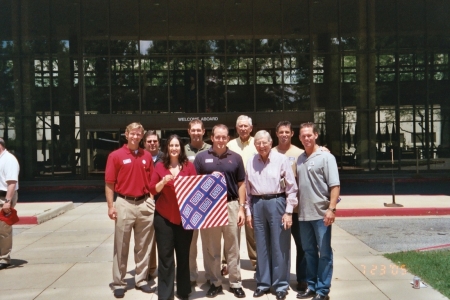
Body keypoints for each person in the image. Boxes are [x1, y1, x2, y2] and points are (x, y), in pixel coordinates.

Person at [194, 124, 246, 298]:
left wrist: (241, 208)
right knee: (212, 248)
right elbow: (194, 185)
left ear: (228, 138)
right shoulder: (201, 158)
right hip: (210, 207)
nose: (221, 140)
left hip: (231, 205)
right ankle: (215, 282)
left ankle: (235, 282)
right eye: (218, 136)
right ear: (212, 137)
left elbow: (241, 184)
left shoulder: (236, 158)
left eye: (224, 137)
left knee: (233, 247)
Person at [245, 130, 298, 300]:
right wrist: (248, 211)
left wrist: (289, 212)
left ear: (270, 142)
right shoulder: (251, 161)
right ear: (255, 145)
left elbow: (291, 188)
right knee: (261, 245)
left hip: (277, 202)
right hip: (257, 204)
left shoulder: (281, 160)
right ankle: (263, 283)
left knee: (279, 245)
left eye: (264, 143)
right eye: (258, 143)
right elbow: (247, 190)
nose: (261, 146)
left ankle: (281, 284)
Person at [105, 122, 155, 298]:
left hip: (143, 204)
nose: (135, 136)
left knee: (144, 245)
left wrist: (151, 201)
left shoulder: (147, 156)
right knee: (121, 245)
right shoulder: (115, 156)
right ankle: (119, 282)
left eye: (138, 134)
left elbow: (152, 182)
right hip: (124, 203)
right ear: (126, 135)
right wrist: (111, 206)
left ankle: (141, 279)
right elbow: (109, 183)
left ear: (142, 137)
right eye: (132, 134)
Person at [149, 135, 197, 300]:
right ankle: (165, 293)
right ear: (167, 148)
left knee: (183, 256)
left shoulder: (189, 166)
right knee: (165, 257)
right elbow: (152, 189)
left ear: (181, 148)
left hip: (185, 218)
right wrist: (162, 182)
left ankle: (183, 291)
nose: (174, 148)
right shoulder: (160, 166)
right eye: (171, 145)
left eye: (177, 145)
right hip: (164, 218)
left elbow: (196, 189)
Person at [296, 122, 340, 300]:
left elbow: (335, 185)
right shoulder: (300, 159)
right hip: (304, 215)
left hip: (322, 214)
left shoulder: (326, 157)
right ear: (299, 138)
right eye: (303, 135)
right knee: (309, 252)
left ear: (316, 135)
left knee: (324, 253)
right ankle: (311, 286)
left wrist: (332, 209)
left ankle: (323, 290)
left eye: (309, 135)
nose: (306, 138)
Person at [272, 121, 307, 292]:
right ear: (276, 134)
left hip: (297, 209)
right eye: (281, 132)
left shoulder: (300, 153)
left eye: (287, 131)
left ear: (292, 134)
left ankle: (302, 279)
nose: (284, 134)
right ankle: (278, 278)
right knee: (277, 246)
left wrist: (324, 149)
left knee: (302, 244)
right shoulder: (270, 153)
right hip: (278, 208)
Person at [227, 115, 258, 270]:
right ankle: (228, 263)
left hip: (254, 192)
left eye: (246, 126)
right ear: (236, 128)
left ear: (251, 128)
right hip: (235, 192)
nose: (243, 129)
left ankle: (256, 262)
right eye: (240, 126)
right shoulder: (230, 144)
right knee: (232, 231)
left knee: (252, 230)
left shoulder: (257, 143)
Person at [184, 119, 211, 286]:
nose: (195, 133)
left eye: (198, 130)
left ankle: (210, 274)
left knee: (209, 243)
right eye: (192, 130)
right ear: (189, 131)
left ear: (203, 131)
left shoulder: (211, 149)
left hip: (208, 203)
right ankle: (192, 275)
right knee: (190, 243)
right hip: (189, 204)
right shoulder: (182, 150)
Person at [143, 130, 164, 280]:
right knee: (147, 239)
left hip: (163, 202)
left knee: (163, 239)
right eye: (149, 141)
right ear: (145, 143)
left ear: (159, 142)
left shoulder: (165, 157)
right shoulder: (140, 157)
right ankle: (150, 270)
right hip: (145, 202)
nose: (152, 143)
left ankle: (165, 268)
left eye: (154, 141)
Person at [0, 138, 20, 271]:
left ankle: (4, 258)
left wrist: (7, 202)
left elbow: (12, 182)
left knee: (3, 229)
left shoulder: (9, 159)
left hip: (3, 197)